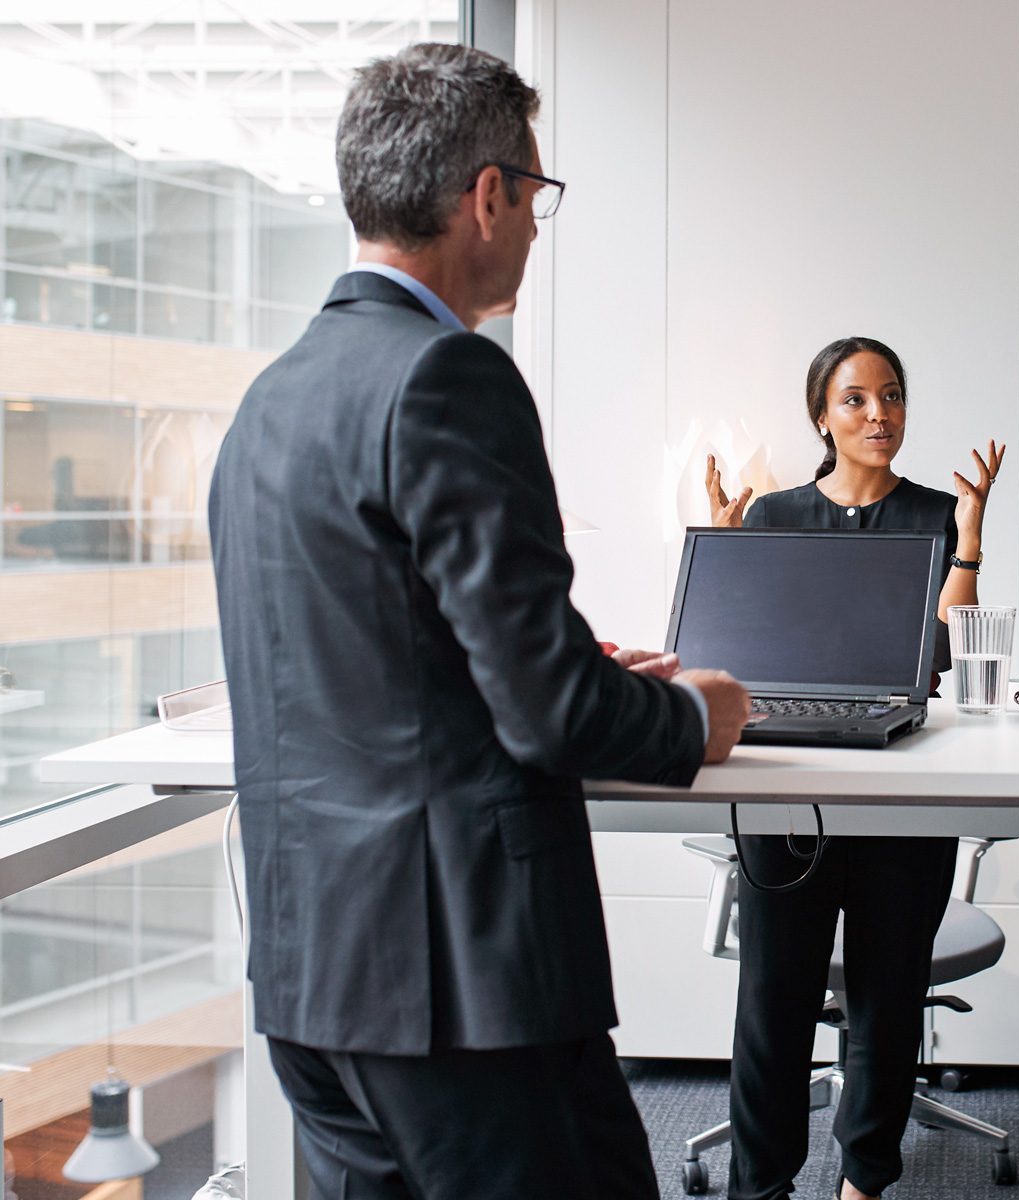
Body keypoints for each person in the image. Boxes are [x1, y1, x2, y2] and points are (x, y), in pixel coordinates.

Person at [208, 44, 750, 1200]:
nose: (540, 229)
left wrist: (567, 657)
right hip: (461, 986)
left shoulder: (268, 403)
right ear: (487, 195)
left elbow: (363, 656)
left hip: (316, 979)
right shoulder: (449, 376)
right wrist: (686, 716)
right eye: (538, 194)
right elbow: (548, 712)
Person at [703, 336, 1004, 1200]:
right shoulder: (771, 515)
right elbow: (733, 659)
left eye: (893, 396)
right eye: (857, 400)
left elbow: (942, 649)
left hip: (899, 780)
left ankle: (863, 1182)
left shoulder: (933, 514)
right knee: (773, 1002)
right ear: (822, 417)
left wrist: (970, 541)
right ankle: (759, 1186)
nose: (881, 415)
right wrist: (728, 554)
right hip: (784, 784)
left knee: (888, 997)